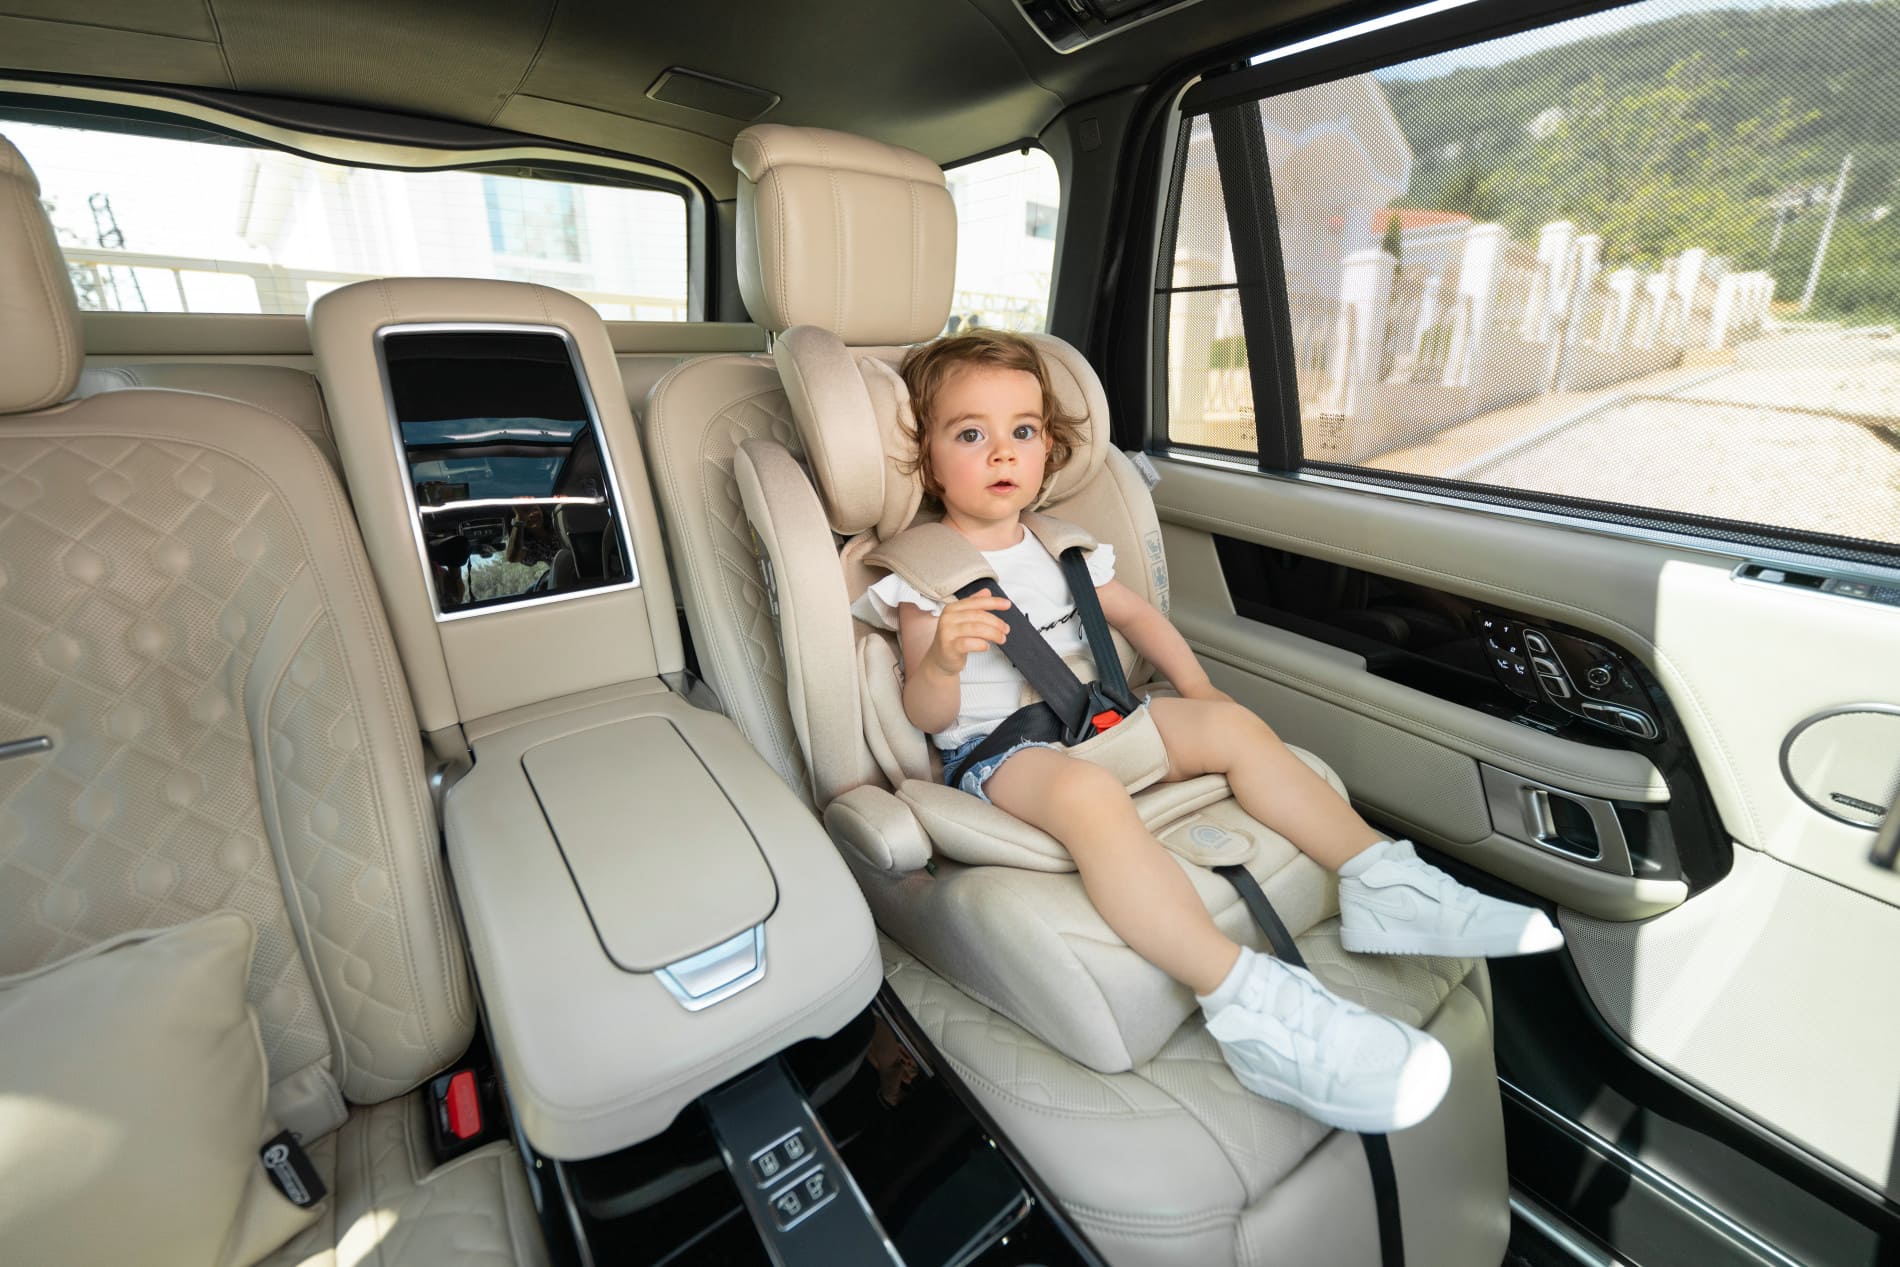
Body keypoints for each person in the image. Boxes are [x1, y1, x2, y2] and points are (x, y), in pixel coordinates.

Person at [854, 329, 1564, 1133]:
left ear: (1049, 446)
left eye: (1022, 430)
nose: (1001, 452)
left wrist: (1199, 692)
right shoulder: (924, 578)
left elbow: (1139, 620)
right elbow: (926, 715)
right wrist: (943, 658)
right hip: (1006, 754)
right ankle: (1244, 998)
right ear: (928, 457)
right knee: (1088, 795)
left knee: (1233, 727)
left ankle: (1383, 881)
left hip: (1103, 719)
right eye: (969, 433)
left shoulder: (1062, 547)